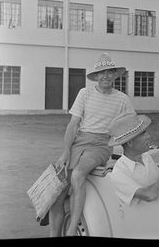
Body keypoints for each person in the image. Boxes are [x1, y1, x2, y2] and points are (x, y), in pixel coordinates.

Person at [49, 53, 135, 236]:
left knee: (78, 174)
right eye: (101, 72)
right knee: (55, 195)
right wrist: (65, 153)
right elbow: (73, 125)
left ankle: (72, 230)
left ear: (114, 75)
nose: (105, 76)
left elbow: (131, 127)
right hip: (79, 141)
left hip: (101, 145)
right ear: (95, 76)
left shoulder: (122, 99)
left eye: (109, 72)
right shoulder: (84, 93)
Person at [108, 113, 159, 206]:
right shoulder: (119, 172)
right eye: (143, 134)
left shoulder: (145, 157)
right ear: (130, 143)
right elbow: (149, 195)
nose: (148, 136)